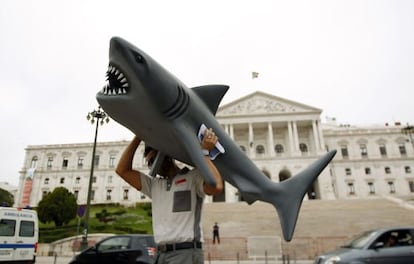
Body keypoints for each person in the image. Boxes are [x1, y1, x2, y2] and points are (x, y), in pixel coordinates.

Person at [116, 127, 223, 264]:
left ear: (166, 155)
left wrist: (205, 153)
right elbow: (122, 170)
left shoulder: (193, 177)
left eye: (154, 159)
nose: (153, 165)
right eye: (149, 163)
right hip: (161, 254)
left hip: (185, 253)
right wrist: (139, 135)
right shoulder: (154, 186)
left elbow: (217, 186)